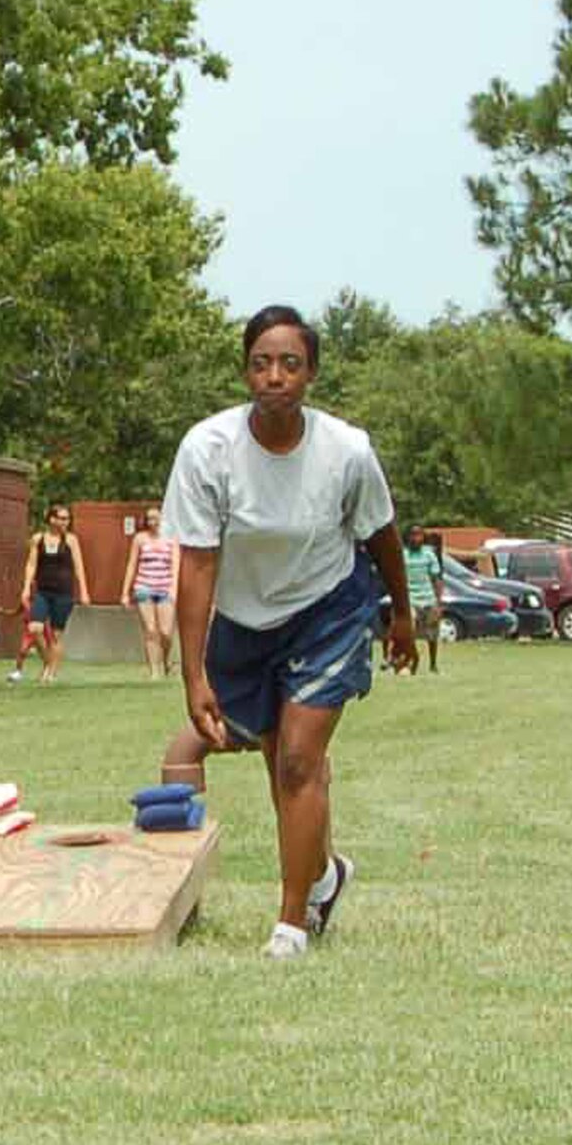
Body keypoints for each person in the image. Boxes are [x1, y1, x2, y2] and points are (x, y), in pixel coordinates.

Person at [160, 304, 417, 960]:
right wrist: (194, 674)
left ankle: (291, 923)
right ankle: (326, 877)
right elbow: (196, 561)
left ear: (312, 376)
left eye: (290, 364)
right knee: (280, 764)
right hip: (246, 622)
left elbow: (381, 533)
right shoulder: (208, 449)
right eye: (261, 363)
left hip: (328, 609)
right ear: (246, 372)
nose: (274, 375)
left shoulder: (347, 452)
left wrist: (403, 615)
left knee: (301, 761)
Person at [18, 503, 91, 683]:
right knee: (35, 628)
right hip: (43, 592)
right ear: (52, 519)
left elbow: (79, 567)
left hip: (64, 593)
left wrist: (84, 591)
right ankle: (48, 663)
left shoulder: (71, 540)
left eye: (67, 519)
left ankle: (50, 674)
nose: (66, 522)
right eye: (62, 518)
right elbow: (32, 564)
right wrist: (26, 588)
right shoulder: (38, 539)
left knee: (56, 635)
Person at [119, 504, 180, 678]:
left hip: (165, 588)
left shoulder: (171, 539)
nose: (153, 522)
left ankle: (166, 661)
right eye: (150, 518)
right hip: (144, 587)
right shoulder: (140, 539)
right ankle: (154, 670)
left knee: (166, 632)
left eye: (156, 518)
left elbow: (175, 566)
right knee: (150, 630)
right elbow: (132, 565)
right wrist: (125, 592)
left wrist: (173, 589)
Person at [403, 524, 445, 673]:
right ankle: (412, 661)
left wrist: (438, 604)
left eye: (418, 535)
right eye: (413, 535)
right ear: (408, 537)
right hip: (410, 599)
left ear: (423, 537)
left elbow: (437, 579)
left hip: (428, 598)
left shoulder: (429, 554)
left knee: (432, 634)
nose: (415, 538)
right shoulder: (403, 555)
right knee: (410, 631)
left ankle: (433, 664)